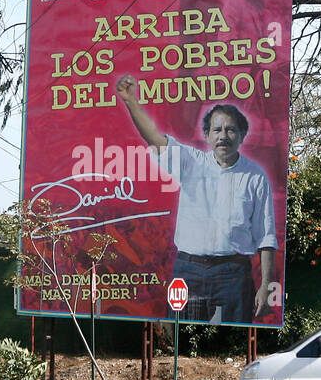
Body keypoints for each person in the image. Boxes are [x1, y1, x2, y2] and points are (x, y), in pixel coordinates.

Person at [117, 75, 276, 323]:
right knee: (183, 338)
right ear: (207, 135)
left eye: (231, 129)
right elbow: (156, 140)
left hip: (233, 274)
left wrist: (266, 284)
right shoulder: (191, 162)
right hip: (189, 271)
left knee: (232, 340)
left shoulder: (255, 176)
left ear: (242, 135)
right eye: (217, 130)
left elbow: (266, 236)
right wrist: (131, 102)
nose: (224, 135)